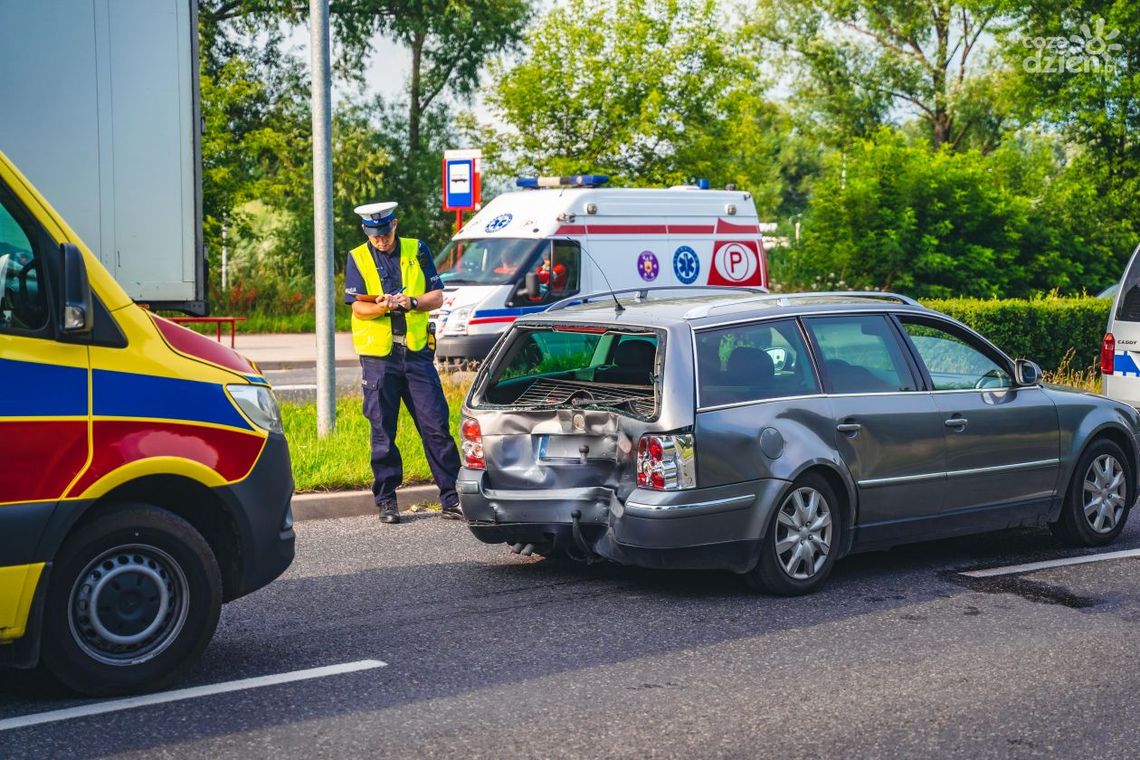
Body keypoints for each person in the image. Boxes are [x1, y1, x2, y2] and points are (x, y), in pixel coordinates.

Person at [345, 201, 463, 524]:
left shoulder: (416, 250)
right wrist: (383, 306)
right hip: (379, 358)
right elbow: (357, 308)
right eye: (374, 235)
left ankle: (451, 497)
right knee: (383, 430)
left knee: (435, 424)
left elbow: (436, 296)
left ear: (394, 224)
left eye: (384, 233)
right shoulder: (357, 257)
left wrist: (410, 302)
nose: (380, 240)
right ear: (365, 231)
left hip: (415, 353)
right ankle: (386, 500)